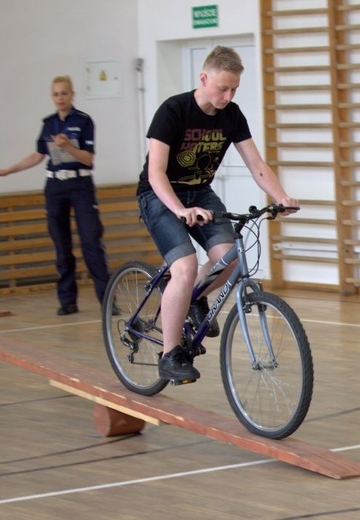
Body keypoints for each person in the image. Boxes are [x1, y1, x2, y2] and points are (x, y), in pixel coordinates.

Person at [137, 45, 299, 382]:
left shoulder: (232, 115)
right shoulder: (173, 110)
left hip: (201, 193)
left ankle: (195, 299)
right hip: (160, 195)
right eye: (222, 88)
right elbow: (156, 173)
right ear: (204, 78)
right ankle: (170, 353)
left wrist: (281, 196)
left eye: (234, 89)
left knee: (232, 257)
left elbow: (256, 164)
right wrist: (180, 210)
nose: (227, 96)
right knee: (185, 265)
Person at [0, 75, 115, 316]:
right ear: (52, 97)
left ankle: (106, 298)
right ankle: (67, 301)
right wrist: (7, 171)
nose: (60, 98)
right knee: (61, 244)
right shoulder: (48, 124)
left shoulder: (84, 121)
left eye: (64, 93)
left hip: (80, 184)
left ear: (72, 95)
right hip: (55, 187)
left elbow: (88, 158)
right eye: (56, 94)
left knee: (91, 242)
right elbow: (38, 155)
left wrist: (67, 147)